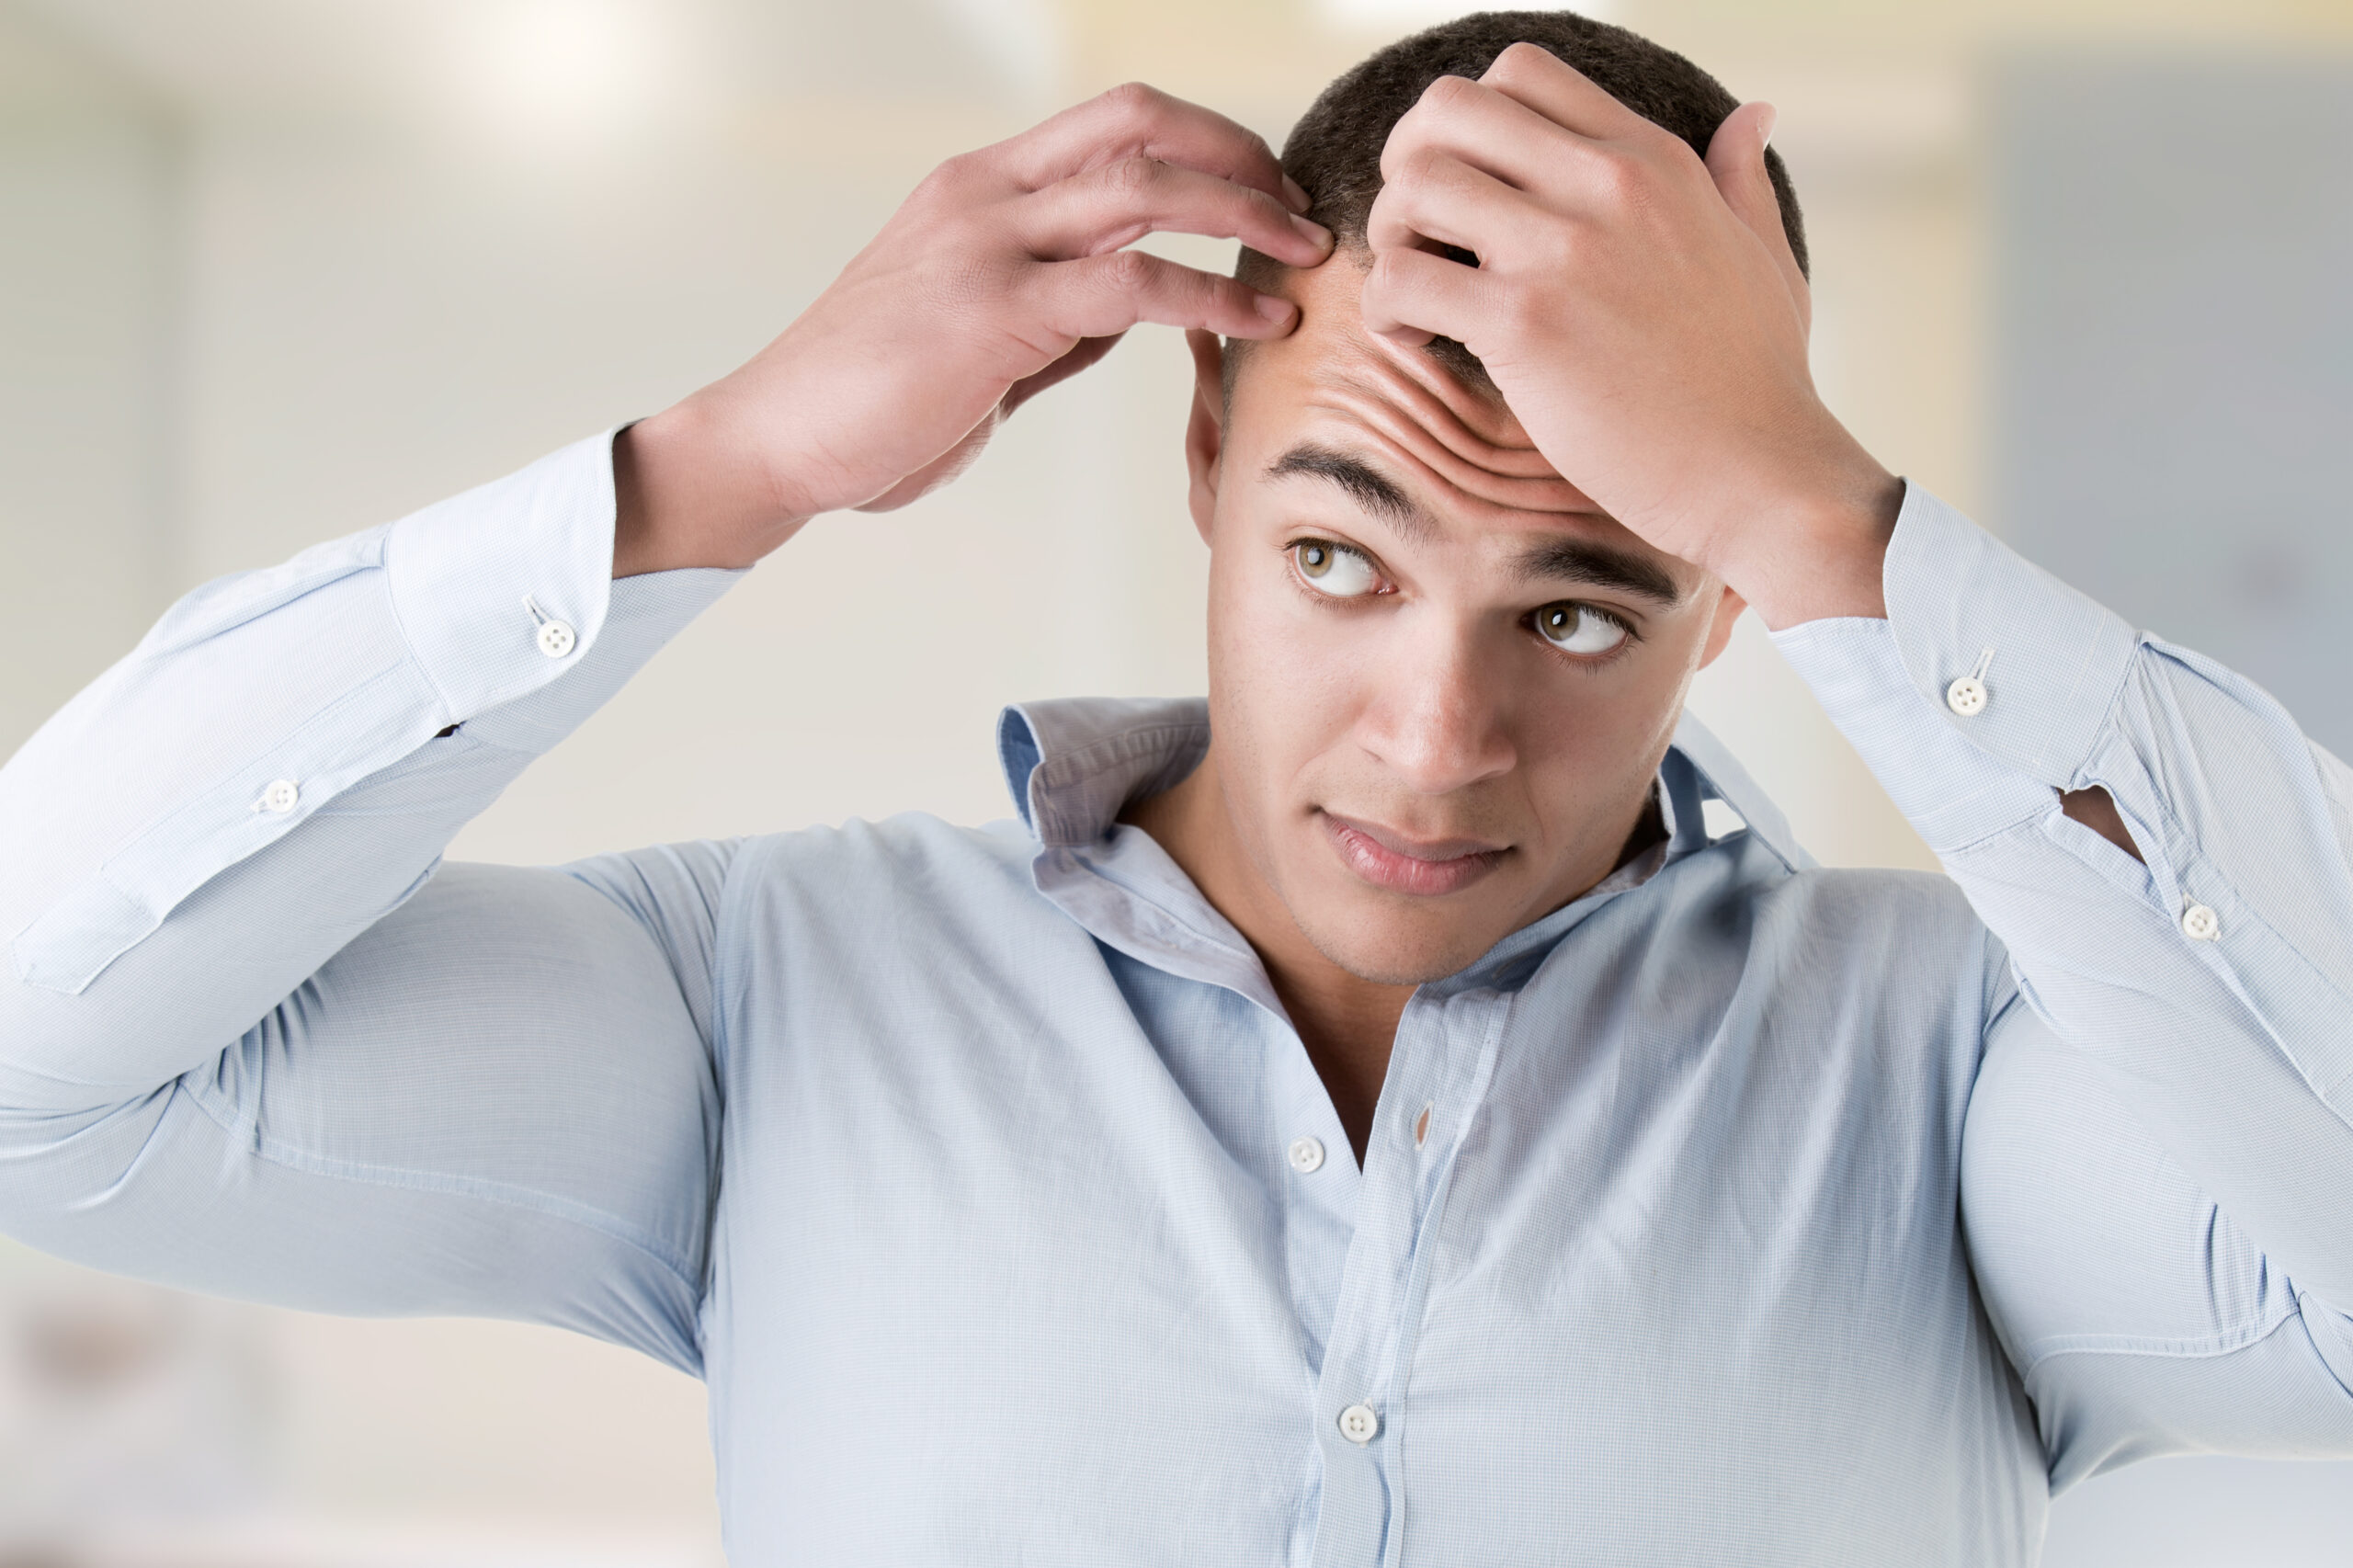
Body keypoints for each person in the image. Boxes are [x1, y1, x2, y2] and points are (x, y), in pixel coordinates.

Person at [3, 9, 2349, 1562]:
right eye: (1338, 551)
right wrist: (714, 465)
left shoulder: (1952, 1061)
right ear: (1206, 443)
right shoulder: (773, 1000)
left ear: (1720, 599)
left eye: (1577, 609)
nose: (1433, 739)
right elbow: (36, 1057)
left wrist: (1834, 519)